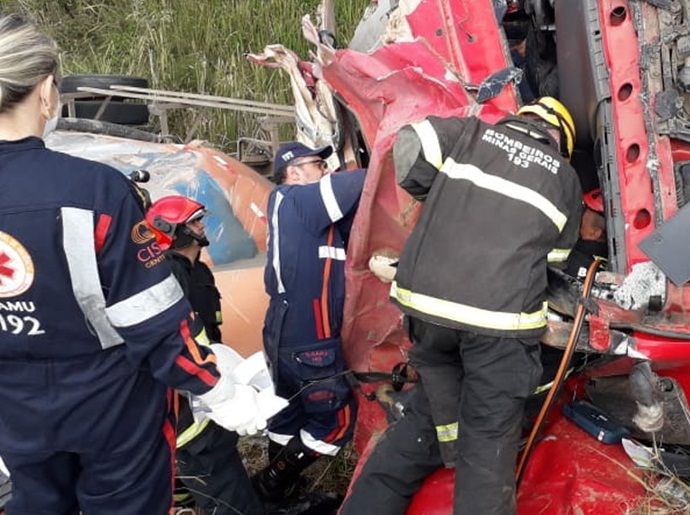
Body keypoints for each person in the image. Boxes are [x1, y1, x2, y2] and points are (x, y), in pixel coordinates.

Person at [0, 14, 265, 513]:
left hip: (14, 409)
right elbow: (152, 318)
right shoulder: (93, 189)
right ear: (45, 90)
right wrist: (213, 384)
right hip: (112, 405)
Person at [340, 96, 583, 515]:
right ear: (559, 139)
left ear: (518, 119)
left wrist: (435, 197)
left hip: (426, 311)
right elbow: (553, 265)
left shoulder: (469, 134)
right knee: (487, 441)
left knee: (426, 418)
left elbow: (409, 142)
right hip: (497, 323)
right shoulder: (563, 177)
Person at [257, 141, 366, 503]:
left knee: (287, 413)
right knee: (335, 423)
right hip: (310, 336)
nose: (326, 170)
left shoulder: (307, 219)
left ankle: (280, 497)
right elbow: (363, 180)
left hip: (285, 331)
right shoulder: (296, 200)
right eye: (318, 164)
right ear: (293, 171)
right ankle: (269, 484)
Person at [146, 195, 264, 515]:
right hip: (188, 402)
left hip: (209, 387)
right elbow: (176, 344)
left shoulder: (197, 271)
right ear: (173, 231)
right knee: (220, 482)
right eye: (194, 222)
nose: (202, 226)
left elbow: (209, 334)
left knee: (206, 469)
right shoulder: (167, 276)